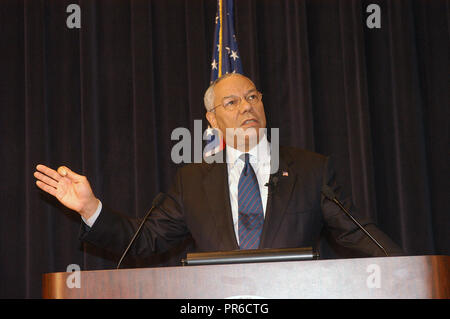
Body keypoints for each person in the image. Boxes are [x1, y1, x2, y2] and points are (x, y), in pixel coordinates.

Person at [34, 73, 403, 262]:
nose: (247, 107)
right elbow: (142, 240)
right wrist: (89, 208)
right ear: (212, 120)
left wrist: (410, 273)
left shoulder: (310, 170)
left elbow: (360, 234)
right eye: (232, 102)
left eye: (252, 97)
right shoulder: (193, 181)